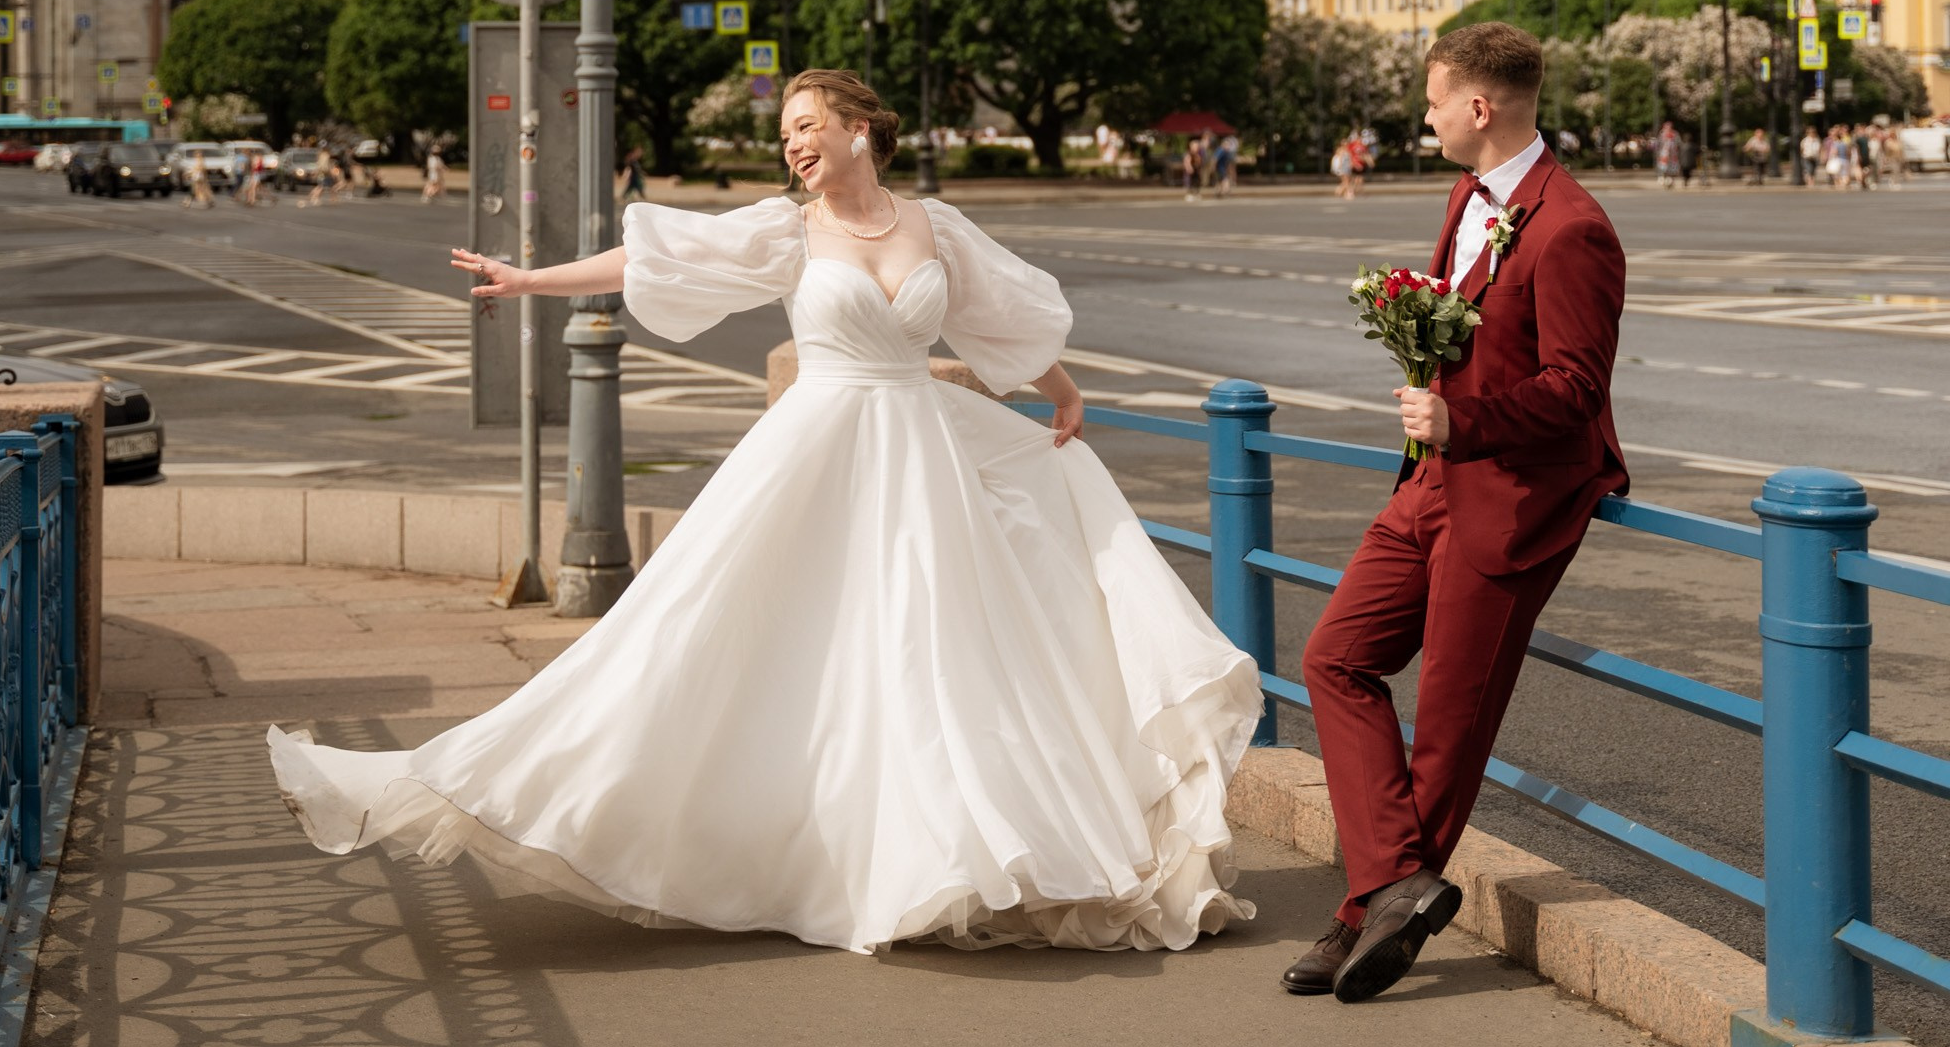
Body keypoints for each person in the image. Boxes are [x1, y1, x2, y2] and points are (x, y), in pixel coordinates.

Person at [267, 68, 1263, 956]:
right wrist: (529, 279)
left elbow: (987, 318)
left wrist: (1060, 388)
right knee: (697, 638)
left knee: (932, 653)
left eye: (806, 122)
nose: (792, 142)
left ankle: (940, 853)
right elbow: (650, 261)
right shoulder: (789, 230)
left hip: (922, 456)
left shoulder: (929, 223)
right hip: (815, 456)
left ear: (858, 129)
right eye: (785, 130)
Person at [1283, 23, 1626, 1005]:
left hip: (1513, 495)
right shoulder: (1468, 197)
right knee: (1332, 654)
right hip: (1431, 481)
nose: (1421, 114)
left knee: (1446, 723)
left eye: (1432, 98)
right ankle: (1391, 886)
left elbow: (1574, 388)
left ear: (1478, 107)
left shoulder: (1570, 226)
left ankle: (1360, 915)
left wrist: (1457, 416)